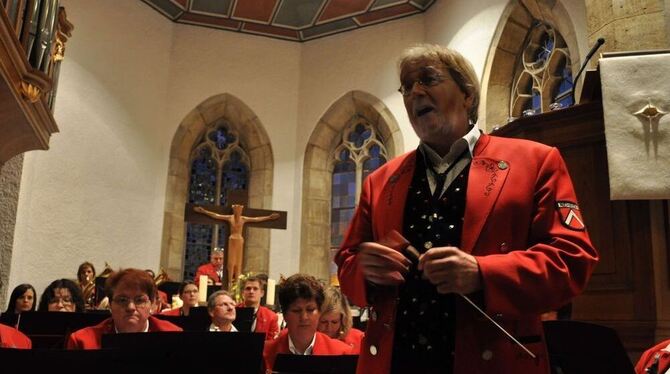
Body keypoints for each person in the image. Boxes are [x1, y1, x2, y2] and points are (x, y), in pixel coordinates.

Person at [336, 43, 599, 374]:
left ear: (468, 95)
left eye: (428, 79)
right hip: (394, 362)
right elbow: (347, 264)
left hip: (494, 360)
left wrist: (483, 273)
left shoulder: (535, 161)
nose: (415, 91)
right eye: (407, 86)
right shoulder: (380, 181)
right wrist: (365, 270)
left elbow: (572, 260)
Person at [66, 268, 182, 349]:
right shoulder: (82, 342)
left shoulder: (174, 336)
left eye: (139, 300)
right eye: (122, 300)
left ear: (152, 305)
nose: (131, 307)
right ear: (110, 305)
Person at [263, 274, 352, 372]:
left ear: (319, 313)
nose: (304, 318)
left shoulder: (342, 354)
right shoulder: (264, 354)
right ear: (284, 315)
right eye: (296, 310)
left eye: (310, 309)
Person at [194, 205, 279, 286]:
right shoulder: (230, 218)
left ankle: (235, 284)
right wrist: (204, 211)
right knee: (231, 263)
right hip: (232, 239)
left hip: (239, 240)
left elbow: (256, 219)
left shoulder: (243, 219)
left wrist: (269, 217)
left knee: (238, 263)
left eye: (220, 259)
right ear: (211, 258)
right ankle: (229, 282)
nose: (218, 261)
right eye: (216, 259)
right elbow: (216, 215)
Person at [318, 287, 364, 354]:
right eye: (323, 322)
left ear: (343, 320)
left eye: (334, 322)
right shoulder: (307, 341)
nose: (329, 328)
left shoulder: (359, 339)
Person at [239, 275, 278, 340]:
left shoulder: (271, 317)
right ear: (243, 293)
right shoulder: (233, 311)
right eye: (248, 288)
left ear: (262, 293)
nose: (251, 291)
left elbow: (271, 343)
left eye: (255, 289)